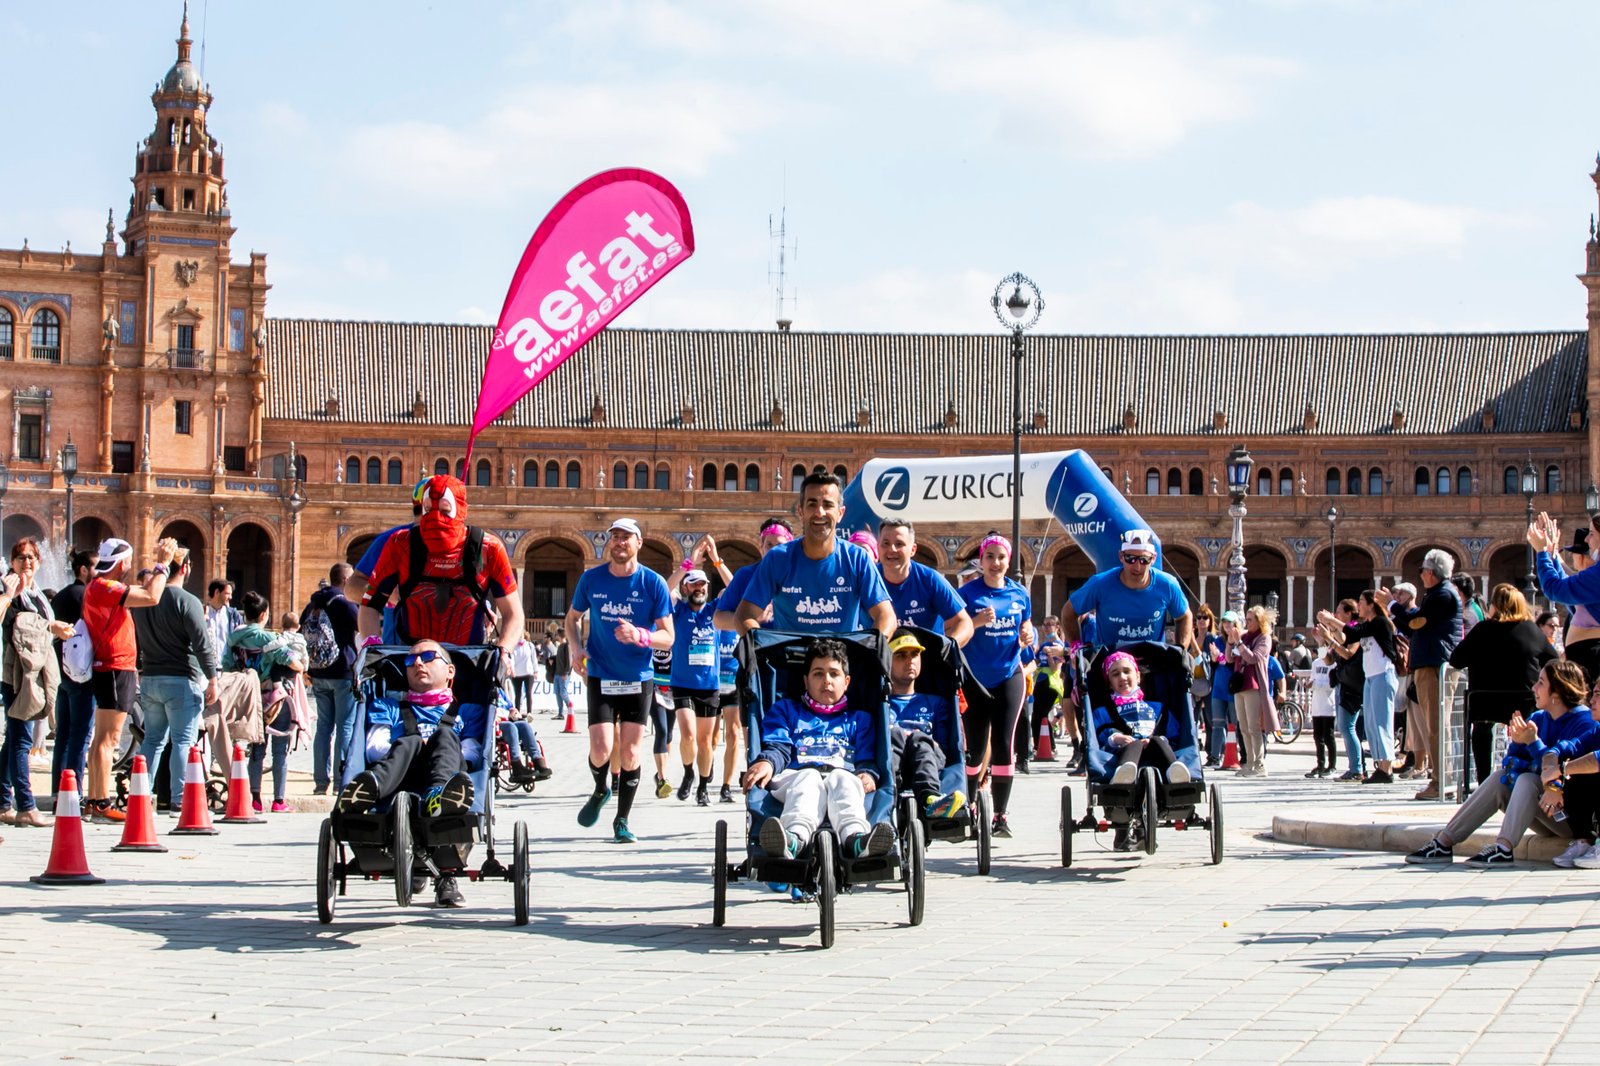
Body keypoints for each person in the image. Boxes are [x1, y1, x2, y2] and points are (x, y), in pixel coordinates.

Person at [1406, 660, 1598, 869]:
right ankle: (1444, 842)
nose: (1534, 688)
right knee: (1501, 778)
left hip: (1572, 818)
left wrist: (1533, 743)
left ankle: (1504, 848)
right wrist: (1518, 742)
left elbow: (1566, 768)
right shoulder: (1538, 718)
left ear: (1557, 693)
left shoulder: (1584, 721)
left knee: (1528, 780)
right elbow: (1513, 765)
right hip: (1547, 810)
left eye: (1541, 683)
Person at [337, 640, 479, 907]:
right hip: (398, 773)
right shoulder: (388, 706)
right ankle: (368, 790)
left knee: (445, 736)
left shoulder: (466, 712)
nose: (418, 663)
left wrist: (435, 745)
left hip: (447, 776)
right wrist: (416, 744)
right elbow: (374, 748)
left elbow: (473, 752)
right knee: (409, 741)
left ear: (450, 670)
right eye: (410, 660)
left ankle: (438, 800)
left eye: (428, 657)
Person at [564, 517, 673, 843]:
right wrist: (575, 648)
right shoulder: (591, 579)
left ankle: (622, 820)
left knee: (630, 753)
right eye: (615, 537)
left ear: (639, 542)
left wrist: (640, 635)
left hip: (638, 678)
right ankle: (601, 789)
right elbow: (572, 619)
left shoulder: (653, 583)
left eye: (627, 537)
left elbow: (668, 637)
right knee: (601, 750)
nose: (620, 542)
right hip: (601, 674)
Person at [742, 638, 895, 861]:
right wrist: (767, 762)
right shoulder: (786, 710)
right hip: (795, 776)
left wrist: (868, 774)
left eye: (834, 674)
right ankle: (794, 839)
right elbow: (779, 747)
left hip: (842, 775)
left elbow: (866, 759)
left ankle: (855, 839)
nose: (827, 681)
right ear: (806, 681)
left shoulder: (859, 720)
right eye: (818, 674)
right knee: (809, 778)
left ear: (847, 681)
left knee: (843, 779)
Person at [357, 475, 523, 661]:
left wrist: (503, 650)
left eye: (444, 510)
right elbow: (369, 603)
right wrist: (372, 646)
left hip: (468, 661)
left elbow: (513, 613)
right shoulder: (400, 544)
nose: (435, 517)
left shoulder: (488, 548)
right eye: (428, 509)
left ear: (461, 509)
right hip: (413, 660)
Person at [83, 536, 178, 823]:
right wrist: (163, 564)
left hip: (109, 667)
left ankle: (94, 800)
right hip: (116, 667)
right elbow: (152, 597)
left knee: (101, 739)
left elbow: (145, 591)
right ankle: (101, 803)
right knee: (109, 739)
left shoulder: (99, 586)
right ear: (122, 562)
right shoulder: (105, 586)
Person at [734, 474, 895, 638]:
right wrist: (764, 646)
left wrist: (868, 648)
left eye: (828, 505)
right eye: (812, 504)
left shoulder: (857, 558)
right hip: (790, 655)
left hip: (841, 654)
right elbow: (744, 615)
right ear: (800, 511)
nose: (820, 512)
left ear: (840, 513)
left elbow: (886, 616)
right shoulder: (778, 558)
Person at [130, 547, 220, 812]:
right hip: (181, 679)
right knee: (183, 741)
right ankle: (180, 800)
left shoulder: (144, 600)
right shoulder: (187, 601)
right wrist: (212, 678)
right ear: (186, 567)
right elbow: (202, 644)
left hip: (150, 678)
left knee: (152, 740)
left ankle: (141, 796)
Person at [956, 533, 1031, 837]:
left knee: (1003, 744)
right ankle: (971, 805)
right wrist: (975, 622)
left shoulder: (1019, 593)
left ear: (1008, 561)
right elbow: (950, 630)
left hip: (1009, 676)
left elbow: (1026, 625)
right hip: (974, 679)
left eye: (1001, 557)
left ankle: (1000, 815)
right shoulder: (966, 593)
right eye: (990, 557)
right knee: (974, 750)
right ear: (981, 560)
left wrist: (1029, 634)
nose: (996, 563)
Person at [1448, 583, 1557, 785]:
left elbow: (1456, 660)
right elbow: (1553, 661)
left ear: (1495, 605)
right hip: (1523, 702)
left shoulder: (1482, 629)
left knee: (1481, 731)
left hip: (1484, 701)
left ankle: (1483, 781)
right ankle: (1528, 774)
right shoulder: (1531, 630)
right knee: (1531, 726)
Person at [0, 539, 74, 829]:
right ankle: (26, 807)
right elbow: (13, 624)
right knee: (21, 739)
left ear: (39, 561)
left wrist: (55, 629)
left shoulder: (36, 593)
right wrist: (9, 595)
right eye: (20, 557)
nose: (27, 562)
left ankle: (3, 803)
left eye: (31, 557)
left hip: (33, 671)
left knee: (14, 738)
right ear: (12, 562)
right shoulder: (10, 591)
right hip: (16, 675)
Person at [1093, 650, 1191, 848]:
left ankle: (1175, 772)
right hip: (1123, 753)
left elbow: (1173, 733)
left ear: (1138, 676)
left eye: (1127, 671)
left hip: (1155, 751)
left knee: (1157, 741)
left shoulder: (1157, 708)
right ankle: (1125, 773)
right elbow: (1097, 736)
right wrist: (1114, 738)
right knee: (1134, 743)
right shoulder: (1103, 711)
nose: (1122, 677)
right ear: (1109, 682)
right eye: (1115, 674)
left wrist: (1157, 739)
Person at [665, 537, 733, 805]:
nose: (699, 587)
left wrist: (716, 561)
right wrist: (688, 563)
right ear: (686, 587)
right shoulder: (678, 610)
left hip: (709, 686)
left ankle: (703, 786)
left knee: (705, 743)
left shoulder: (715, 610)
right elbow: (663, 589)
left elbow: (736, 588)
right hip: (682, 683)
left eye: (702, 583)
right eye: (693, 583)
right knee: (688, 736)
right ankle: (688, 773)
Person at [1391, 549, 1462, 800]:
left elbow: (1416, 622)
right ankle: (1441, 778)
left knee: (1436, 726)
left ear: (1431, 572)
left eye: (1422, 570)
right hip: (1430, 663)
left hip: (1434, 665)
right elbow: (1414, 628)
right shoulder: (1439, 594)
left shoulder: (1442, 595)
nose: (1420, 575)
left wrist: (1391, 605)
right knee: (1434, 725)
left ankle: (1440, 781)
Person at [228, 591, 308, 813]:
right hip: (275, 699)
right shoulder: (268, 639)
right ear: (264, 614)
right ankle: (278, 801)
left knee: (256, 749)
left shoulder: (234, 638)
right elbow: (292, 662)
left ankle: (254, 798)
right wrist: (301, 666)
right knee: (280, 751)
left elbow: (227, 665)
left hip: (250, 699)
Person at [1061, 529, 1192, 649]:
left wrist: (1181, 651)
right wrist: (1076, 647)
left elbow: (1184, 617)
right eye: (1130, 559)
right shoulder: (1100, 583)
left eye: (1144, 560)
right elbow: (1069, 612)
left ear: (1153, 559)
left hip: (1152, 660)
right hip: (1110, 660)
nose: (1137, 567)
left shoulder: (1167, 584)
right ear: (1121, 556)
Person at [1322, 592, 1400, 784]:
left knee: (1382, 723)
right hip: (1371, 677)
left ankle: (1386, 768)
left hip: (1383, 675)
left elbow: (1353, 633)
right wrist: (1329, 629)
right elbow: (1350, 635)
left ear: (1372, 605)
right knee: (1372, 725)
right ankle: (1380, 766)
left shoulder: (1380, 622)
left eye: (1362, 602)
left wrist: (1331, 620)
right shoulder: (1368, 625)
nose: (1359, 605)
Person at [885, 630, 964, 819]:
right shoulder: (881, 705)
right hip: (894, 762)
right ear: (888, 661)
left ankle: (931, 799)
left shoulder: (936, 703)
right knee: (894, 734)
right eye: (901, 655)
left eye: (914, 654)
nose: (910, 661)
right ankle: (888, 798)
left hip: (929, 760)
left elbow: (943, 746)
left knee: (919, 739)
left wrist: (916, 738)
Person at [302, 563, 360, 796]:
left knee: (323, 728)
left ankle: (320, 782)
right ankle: (340, 781)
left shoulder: (313, 603)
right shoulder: (344, 603)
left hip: (319, 672)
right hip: (343, 671)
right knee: (345, 726)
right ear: (346, 580)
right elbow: (363, 625)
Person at [50, 548, 98, 808]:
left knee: (63, 734)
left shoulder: (61, 595)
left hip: (61, 671)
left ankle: (58, 790)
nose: (99, 572)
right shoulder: (85, 596)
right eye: (96, 567)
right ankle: (73, 790)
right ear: (83, 569)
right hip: (81, 673)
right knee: (80, 735)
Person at [877, 519, 973, 646]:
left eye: (899, 544)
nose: (892, 549)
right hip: (882, 656)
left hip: (925, 656)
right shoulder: (869, 578)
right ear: (878, 547)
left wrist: (946, 649)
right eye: (885, 543)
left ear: (913, 549)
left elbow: (964, 623)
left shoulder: (930, 579)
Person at [1537, 692, 1600, 868]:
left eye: (1598, 694)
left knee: (1577, 768)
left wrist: (1560, 770)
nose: (1592, 701)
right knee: (1572, 774)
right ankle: (1584, 840)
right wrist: (1553, 784)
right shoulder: (1597, 730)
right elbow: (1563, 748)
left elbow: (1597, 759)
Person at [712, 517, 793, 633]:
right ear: (762, 547)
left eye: (780, 545)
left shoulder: (800, 574)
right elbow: (718, 619)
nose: (774, 550)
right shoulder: (746, 575)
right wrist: (749, 619)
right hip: (758, 643)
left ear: (789, 548)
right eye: (769, 544)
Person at [1316, 599, 1367, 781]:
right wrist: (1321, 642)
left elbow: (1348, 654)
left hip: (1353, 685)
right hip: (1343, 683)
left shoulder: (1355, 632)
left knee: (1348, 727)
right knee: (1346, 728)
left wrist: (1329, 638)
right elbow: (1328, 660)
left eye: (1338, 611)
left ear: (1348, 613)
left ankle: (1357, 769)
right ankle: (1356, 767)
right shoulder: (1341, 634)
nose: (1335, 614)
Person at [1227, 604, 1280, 777]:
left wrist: (1239, 643)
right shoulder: (1244, 636)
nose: (1247, 623)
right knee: (1243, 727)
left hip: (1253, 684)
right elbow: (1229, 658)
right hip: (1239, 685)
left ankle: (1259, 764)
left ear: (1259, 621)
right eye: (1246, 619)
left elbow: (1253, 658)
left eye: (1250, 620)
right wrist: (1230, 641)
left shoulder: (1264, 638)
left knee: (1253, 727)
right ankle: (1249, 763)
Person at [1196, 606, 1232, 768]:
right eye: (1198, 617)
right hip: (1195, 684)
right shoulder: (1193, 635)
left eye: (1205, 617)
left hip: (1209, 683)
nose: (1201, 620)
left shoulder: (1212, 638)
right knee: (1194, 720)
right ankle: (1200, 753)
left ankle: (1216, 752)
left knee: (1213, 720)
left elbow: (1212, 662)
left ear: (1210, 621)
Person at [715, 625, 742, 803]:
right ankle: (706, 766)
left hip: (734, 685)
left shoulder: (739, 625)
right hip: (713, 685)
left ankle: (726, 786)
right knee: (711, 739)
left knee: (733, 734)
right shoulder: (714, 624)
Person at [1306, 630, 1337, 778]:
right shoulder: (1316, 663)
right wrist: (1311, 684)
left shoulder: (1333, 664)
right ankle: (1320, 764)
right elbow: (1313, 678)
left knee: (1328, 736)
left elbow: (1331, 684)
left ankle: (1332, 765)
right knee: (1318, 737)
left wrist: (1316, 684)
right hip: (1317, 705)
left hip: (1328, 705)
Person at [204, 579, 243, 665]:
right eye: (227, 593)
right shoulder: (201, 613)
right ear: (217, 592)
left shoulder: (233, 616)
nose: (230, 597)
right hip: (206, 667)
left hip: (228, 668)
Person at [510, 633, 539, 717]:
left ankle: (529, 712)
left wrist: (536, 670)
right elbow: (512, 659)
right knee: (518, 694)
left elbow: (534, 659)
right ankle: (517, 712)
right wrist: (512, 670)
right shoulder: (513, 646)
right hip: (517, 673)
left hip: (528, 672)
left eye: (521, 635)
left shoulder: (530, 645)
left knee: (528, 693)